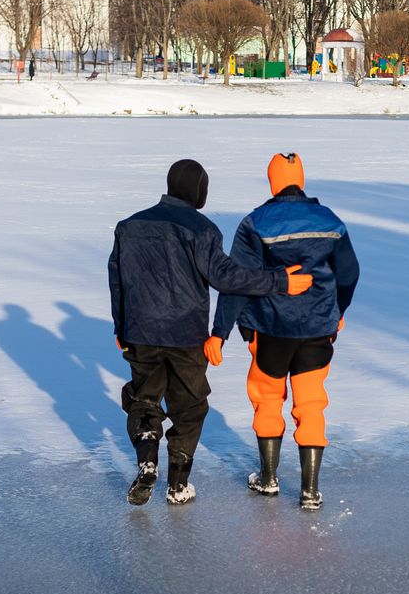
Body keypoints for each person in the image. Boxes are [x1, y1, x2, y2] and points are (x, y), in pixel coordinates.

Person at [108, 159, 314, 506]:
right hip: (186, 334)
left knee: (144, 399)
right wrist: (280, 281)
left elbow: (116, 280)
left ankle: (147, 459)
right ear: (198, 191)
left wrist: (120, 325)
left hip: (141, 331)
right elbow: (227, 277)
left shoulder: (128, 226)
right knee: (190, 408)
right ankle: (177, 485)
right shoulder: (202, 230)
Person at [206, 153, 360, 510]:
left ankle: (269, 479)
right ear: (301, 180)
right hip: (318, 329)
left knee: (267, 398)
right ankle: (309, 490)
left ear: (273, 181)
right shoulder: (330, 221)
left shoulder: (255, 222)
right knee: (311, 402)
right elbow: (349, 273)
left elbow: (238, 281)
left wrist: (220, 331)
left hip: (270, 328)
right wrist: (339, 310)